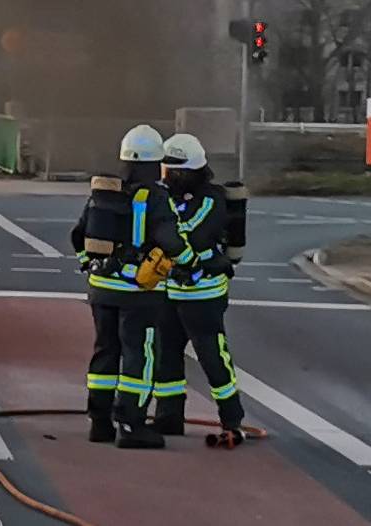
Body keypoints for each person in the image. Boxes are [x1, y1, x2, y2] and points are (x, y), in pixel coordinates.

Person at [70, 124, 196, 448]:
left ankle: (99, 424)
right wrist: (190, 261)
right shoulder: (155, 197)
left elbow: (78, 235)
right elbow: (171, 240)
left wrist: (89, 264)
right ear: (153, 163)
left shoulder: (105, 192)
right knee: (138, 355)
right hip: (139, 293)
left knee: (104, 351)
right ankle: (131, 425)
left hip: (100, 288)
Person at [151, 132, 247, 440]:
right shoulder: (166, 196)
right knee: (165, 353)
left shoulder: (210, 200)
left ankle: (231, 418)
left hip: (202, 293)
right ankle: (168, 416)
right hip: (168, 289)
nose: (167, 176)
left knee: (212, 356)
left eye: (173, 170)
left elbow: (190, 234)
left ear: (190, 170)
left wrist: (162, 232)